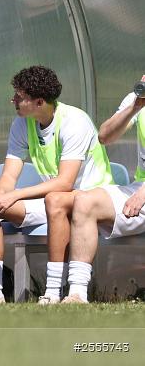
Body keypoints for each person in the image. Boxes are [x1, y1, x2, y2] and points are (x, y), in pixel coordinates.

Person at [0, 66, 113, 304]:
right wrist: (1, 195)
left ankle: (53, 292)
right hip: (54, 199)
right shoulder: (21, 123)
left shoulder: (74, 121)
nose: (13, 100)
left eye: (19, 97)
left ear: (39, 102)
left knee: (54, 199)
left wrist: (15, 195)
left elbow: (65, 183)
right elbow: (9, 175)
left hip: (89, 199)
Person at [64, 79, 145, 303]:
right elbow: (104, 137)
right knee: (84, 201)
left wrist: (143, 194)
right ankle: (77, 293)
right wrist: (135, 107)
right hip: (141, 186)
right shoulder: (138, 100)